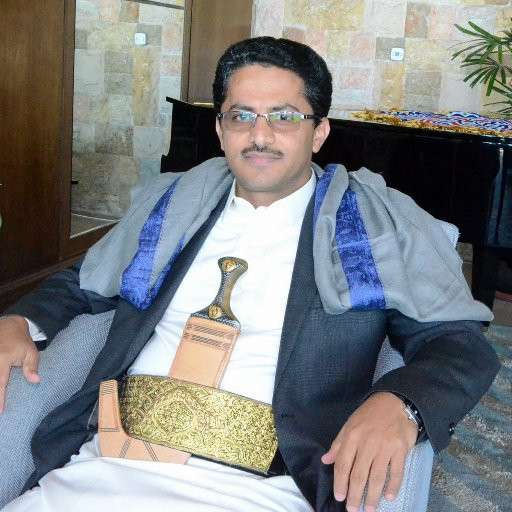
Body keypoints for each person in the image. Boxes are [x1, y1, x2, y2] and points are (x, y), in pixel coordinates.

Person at [0, 37, 499, 512]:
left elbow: (458, 343)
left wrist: (403, 403)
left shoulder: (373, 229)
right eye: (241, 116)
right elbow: (85, 281)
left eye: (284, 116)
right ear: (220, 130)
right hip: (103, 466)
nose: (260, 136)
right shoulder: (171, 206)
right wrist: (20, 321)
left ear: (319, 132)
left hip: (261, 489)